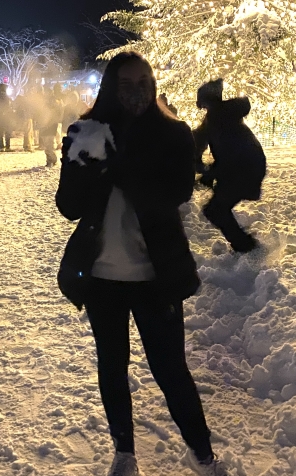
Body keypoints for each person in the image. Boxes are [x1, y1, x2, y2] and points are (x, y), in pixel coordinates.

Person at [55, 52, 227, 476]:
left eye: (144, 83)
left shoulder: (173, 134)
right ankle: (124, 452)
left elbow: (173, 196)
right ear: (111, 87)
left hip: (156, 274)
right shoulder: (86, 130)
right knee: (111, 366)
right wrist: (82, 165)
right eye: (126, 84)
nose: (137, 92)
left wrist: (119, 161)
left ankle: (202, 453)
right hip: (101, 277)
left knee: (171, 370)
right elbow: (68, 207)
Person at [193, 78, 266, 255]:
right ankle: (245, 245)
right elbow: (198, 141)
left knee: (216, 210)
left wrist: (209, 173)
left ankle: (247, 248)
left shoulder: (219, 119)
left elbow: (233, 157)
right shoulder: (218, 116)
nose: (201, 106)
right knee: (216, 209)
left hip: (245, 171)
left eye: (202, 101)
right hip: (246, 169)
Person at [0, 83, 13, 151]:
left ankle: (1, 146)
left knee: (0, 132)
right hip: (6, 116)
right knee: (7, 132)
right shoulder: (4, 96)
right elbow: (7, 105)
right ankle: (7, 146)